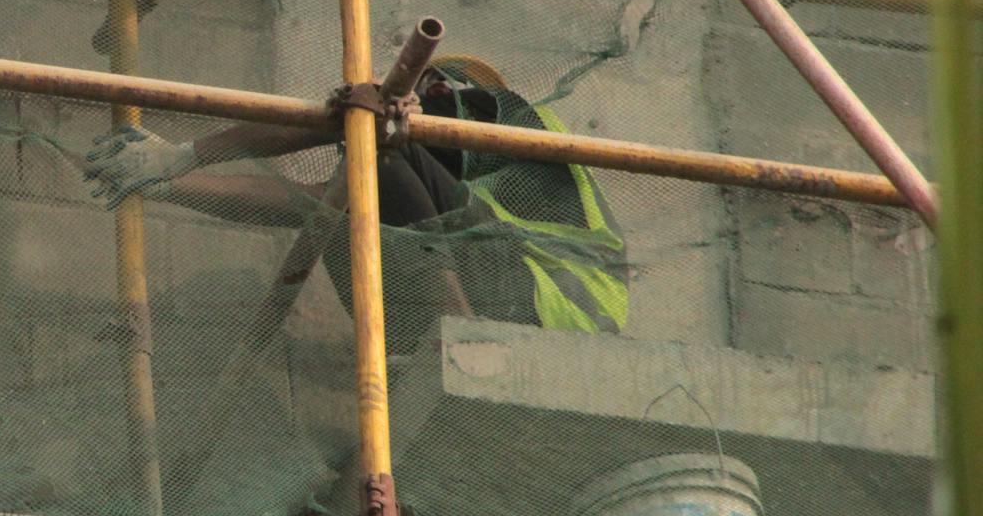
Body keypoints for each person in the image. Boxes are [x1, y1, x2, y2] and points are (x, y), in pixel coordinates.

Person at [84, 57, 628, 341]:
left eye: (431, 89)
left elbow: (364, 121)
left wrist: (189, 153)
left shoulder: (510, 115)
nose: (428, 97)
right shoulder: (436, 188)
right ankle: (445, 331)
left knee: (375, 142)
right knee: (346, 208)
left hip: (543, 307)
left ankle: (457, 329)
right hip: (503, 300)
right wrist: (166, 183)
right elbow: (307, 204)